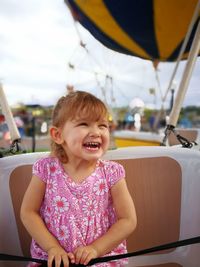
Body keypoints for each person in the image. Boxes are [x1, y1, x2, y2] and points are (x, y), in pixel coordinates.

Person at [20, 91, 137, 267]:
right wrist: (52, 248)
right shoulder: (46, 169)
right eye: (84, 124)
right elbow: (28, 212)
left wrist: (96, 249)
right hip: (53, 258)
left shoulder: (112, 173)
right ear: (58, 135)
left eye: (103, 125)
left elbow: (128, 220)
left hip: (100, 258)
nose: (96, 132)